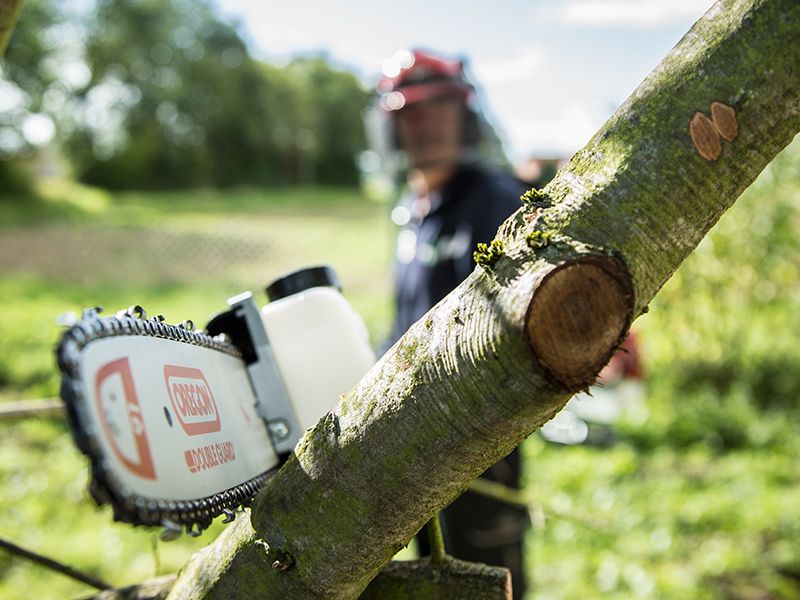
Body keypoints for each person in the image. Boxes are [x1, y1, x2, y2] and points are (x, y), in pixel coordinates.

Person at [372, 48, 533, 599]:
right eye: (412, 114)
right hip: (411, 452)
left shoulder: (492, 199)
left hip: (479, 446)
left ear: (465, 115)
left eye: (440, 108)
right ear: (394, 128)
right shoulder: (412, 211)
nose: (428, 124)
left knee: (487, 577)